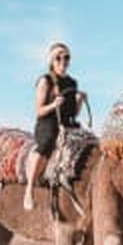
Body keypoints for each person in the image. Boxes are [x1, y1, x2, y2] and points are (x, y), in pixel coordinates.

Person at [24, 42, 85, 211]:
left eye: (66, 57)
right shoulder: (46, 81)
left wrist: (80, 100)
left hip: (67, 125)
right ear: (52, 60)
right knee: (47, 143)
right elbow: (39, 110)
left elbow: (73, 112)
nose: (63, 61)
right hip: (48, 123)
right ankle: (29, 190)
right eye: (58, 57)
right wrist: (54, 105)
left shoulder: (72, 83)